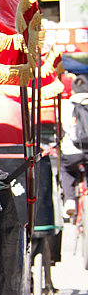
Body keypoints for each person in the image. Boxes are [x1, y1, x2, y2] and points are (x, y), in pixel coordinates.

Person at [60, 75, 88, 217]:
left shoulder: (66, 105)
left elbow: (64, 128)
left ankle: (70, 200)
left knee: (66, 170)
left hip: (72, 152)